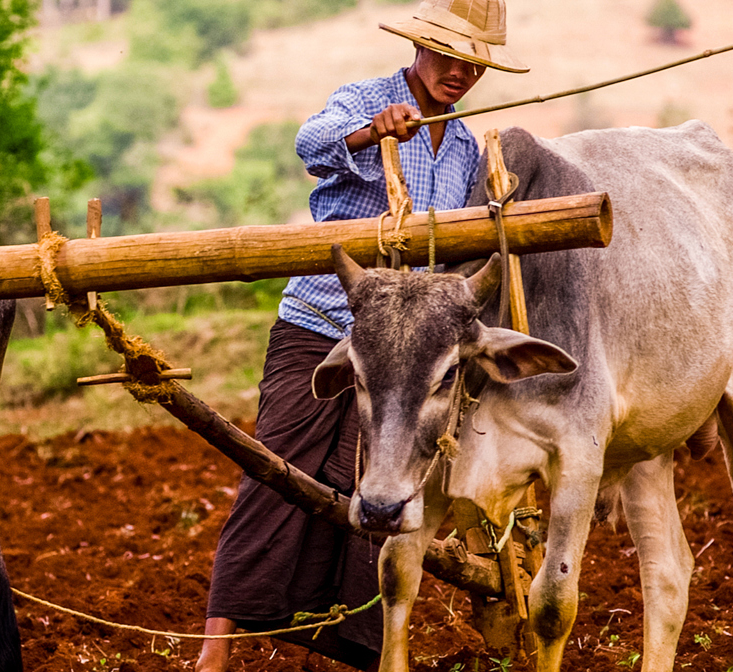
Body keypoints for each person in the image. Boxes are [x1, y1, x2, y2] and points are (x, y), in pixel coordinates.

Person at [196, 0, 527, 669]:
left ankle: (350, 648)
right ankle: (213, 655)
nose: (460, 73)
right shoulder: (362, 99)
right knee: (274, 474)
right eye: (448, 56)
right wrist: (369, 133)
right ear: (419, 48)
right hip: (319, 325)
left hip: (402, 355)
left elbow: (452, 257)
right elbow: (310, 142)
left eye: (474, 63)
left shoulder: (464, 148)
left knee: (371, 487)